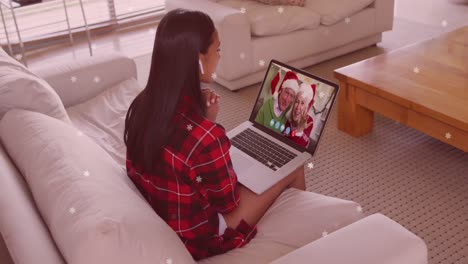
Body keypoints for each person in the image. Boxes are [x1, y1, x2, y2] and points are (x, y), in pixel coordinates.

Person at [124, 9, 306, 261]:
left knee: (257, 169)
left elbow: (184, 152)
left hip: (165, 211)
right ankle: (305, 243)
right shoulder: (206, 138)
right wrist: (209, 129)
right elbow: (229, 203)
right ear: (198, 60)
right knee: (294, 164)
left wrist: (205, 121)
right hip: (200, 233)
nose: (220, 57)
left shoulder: (141, 105)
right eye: (217, 50)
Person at [283, 83, 316, 148]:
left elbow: (299, 148)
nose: (298, 107)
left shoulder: (309, 120)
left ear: (306, 107)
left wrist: (299, 132)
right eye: (297, 101)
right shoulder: (288, 116)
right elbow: (283, 139)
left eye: (302, 103)